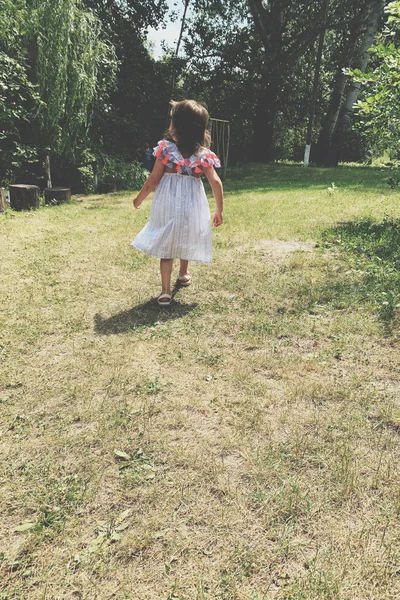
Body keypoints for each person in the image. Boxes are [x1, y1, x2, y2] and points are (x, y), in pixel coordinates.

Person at [131, 99, 224, 306]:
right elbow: (215, 183)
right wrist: (218, 210)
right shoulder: (203, 157)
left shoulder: (165, 151)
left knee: (167, 242)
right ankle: (183, 273)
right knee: (186, 234)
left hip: (168, 203)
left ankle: (165, 292)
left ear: (176, 127)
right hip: (193, 203)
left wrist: (139, 198)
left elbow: (153, 179)